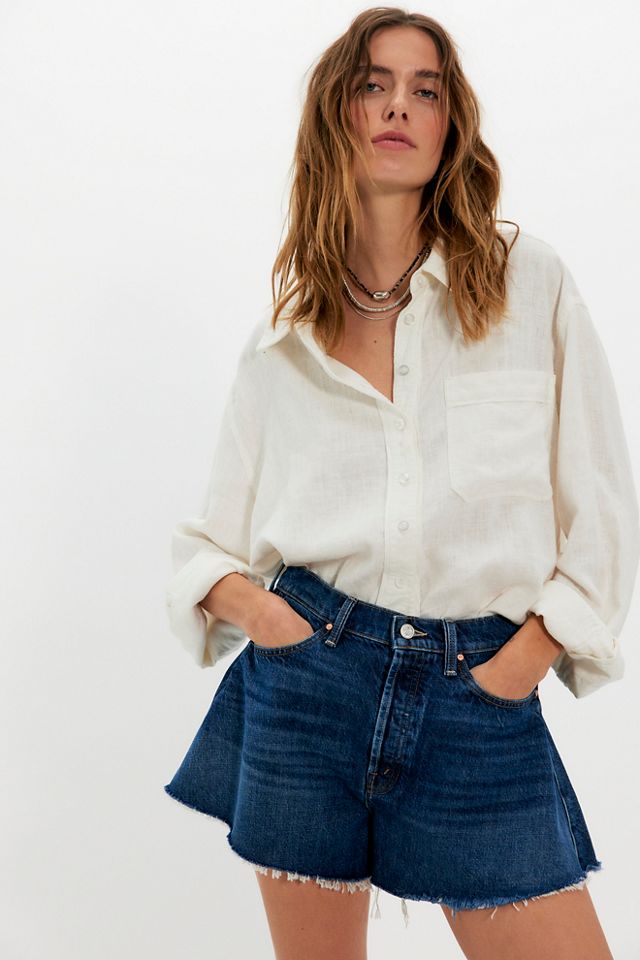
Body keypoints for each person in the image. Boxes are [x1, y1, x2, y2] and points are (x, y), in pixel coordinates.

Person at [163, 9, 639, 960]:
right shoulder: (285, 337)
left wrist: (526, 658)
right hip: (309, 688)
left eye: (426, 90)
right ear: (337, 114)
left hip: (479, 696)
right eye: (374, 85)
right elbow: (207, 545)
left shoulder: (527, 283)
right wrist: (268, 621)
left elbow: (603, 506)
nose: (398, 107)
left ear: (451, 124)